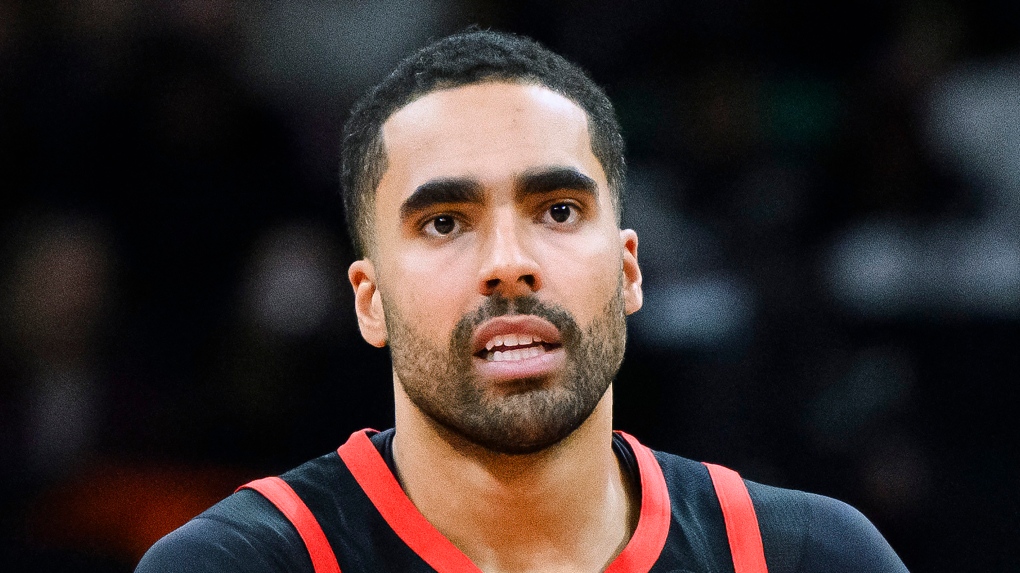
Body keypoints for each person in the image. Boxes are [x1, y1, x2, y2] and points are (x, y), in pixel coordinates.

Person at [136, 29, 909, 573]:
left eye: (559, 211)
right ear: (369, 302)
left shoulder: (810, 555)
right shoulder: (238, 561)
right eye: (445, 222)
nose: (509, 264)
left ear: (631, 269)